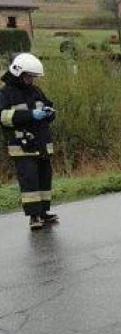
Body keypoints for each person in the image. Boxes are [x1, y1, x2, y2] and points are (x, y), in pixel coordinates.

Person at [0, 53, 58, 231]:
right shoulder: (5, 93)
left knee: (44, 178)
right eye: (29, 76)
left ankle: (44, 212)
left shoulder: (36, 91)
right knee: (30, 181)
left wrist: (50, 112)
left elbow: (49, 107)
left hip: (41, 143)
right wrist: (30, 115)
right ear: (19, 73)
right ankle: (34, 217)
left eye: (33, 77)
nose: (31, 79)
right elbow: (3, 117)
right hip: (22, 146)